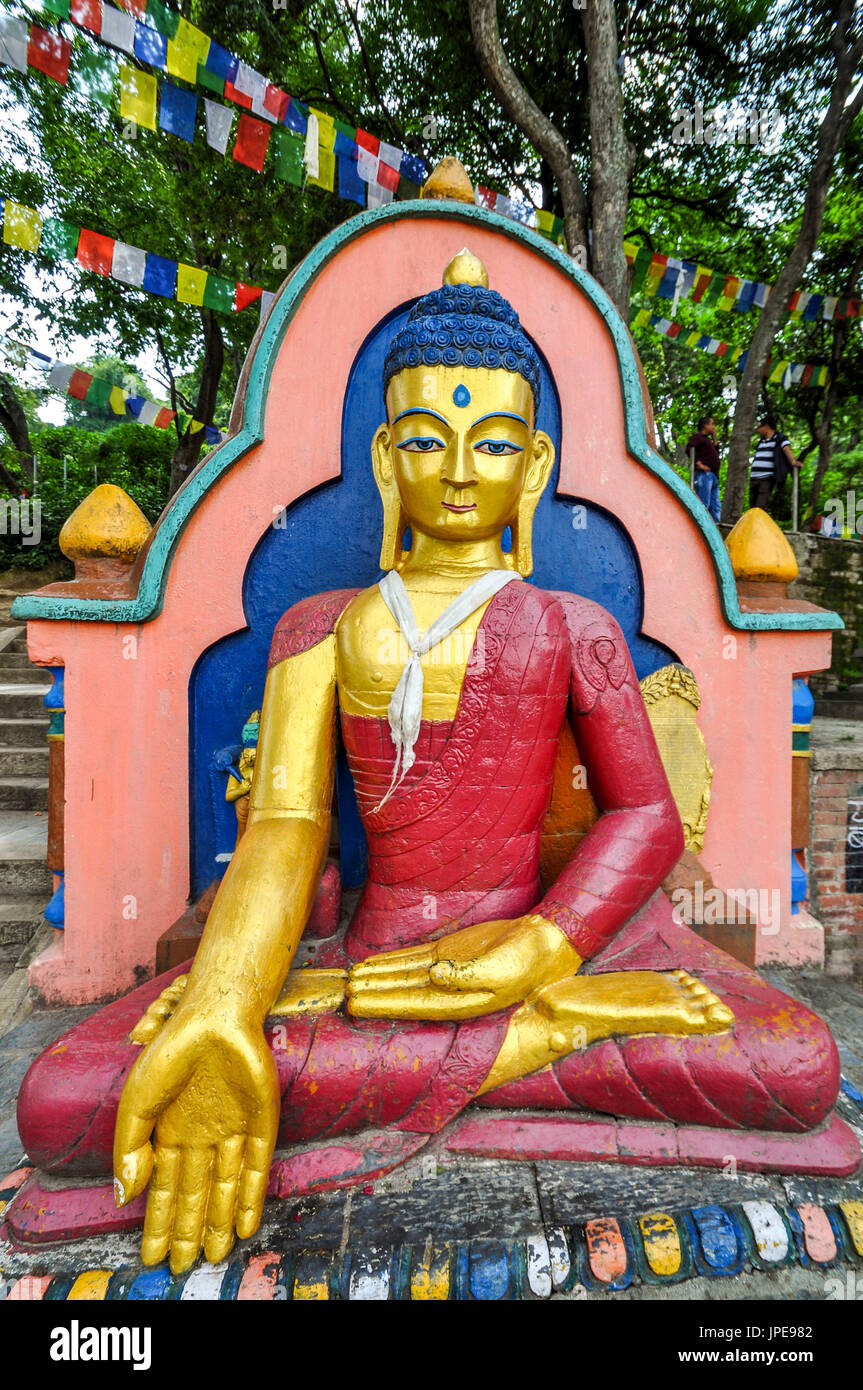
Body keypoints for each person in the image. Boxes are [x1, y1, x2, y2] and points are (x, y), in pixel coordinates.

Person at [19, 251, 839, 1276]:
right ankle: (539, 1044)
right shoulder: (318, 629)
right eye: (426, 439)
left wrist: (540, 948)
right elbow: (284, 826)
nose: (458, 470)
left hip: (532, 946)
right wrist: (227, 999)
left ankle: (519, 1025)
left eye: (492, 445)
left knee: (795, 1060)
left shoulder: (569, 625)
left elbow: (646, 818)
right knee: (64, 1097)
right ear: (383, 460)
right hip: (368, 965)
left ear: (532, 467)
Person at [749, 414, 799, 515]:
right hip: (754, 478)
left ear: (766, 426)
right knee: (752, 508)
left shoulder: (779, 437)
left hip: (766, 478)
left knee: (760, 508)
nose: (758, 430)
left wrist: (793, 461)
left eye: (759, 427)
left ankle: (760, 529)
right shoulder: (761, 441)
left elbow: (786, 449)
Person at [686, 415, 721, 522]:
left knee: (715, 506)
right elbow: (689, 449)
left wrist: (715, 438)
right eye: (712, 424)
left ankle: (716, 528)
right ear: (705, 425)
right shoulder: (698, 438)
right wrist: (699, 464)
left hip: (713, 475)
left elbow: (715, 453)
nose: (714, 427)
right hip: (704, 475)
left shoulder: (707, 441)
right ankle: (701, 524)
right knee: (704, 503)